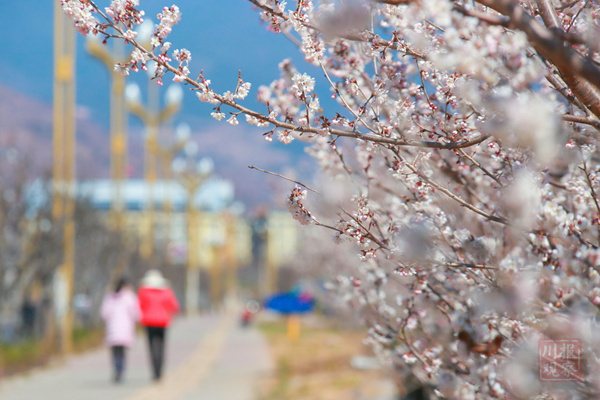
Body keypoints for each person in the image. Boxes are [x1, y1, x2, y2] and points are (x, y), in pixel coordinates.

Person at [137, 269, 180, 381]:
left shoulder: (144, 291)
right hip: (163, 322)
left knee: (151, 347)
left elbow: (139, 306)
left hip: (149, 322)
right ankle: (159, 371)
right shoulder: (166, 291)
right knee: (161, 347)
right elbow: (174, 306)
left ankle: (155, 371)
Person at [100, 277, 141, 383]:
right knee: (122, 352)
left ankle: (116, 369)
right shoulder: (129, 296)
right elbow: (135, 313)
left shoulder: (109, 297)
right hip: (125, 328)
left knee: (115, 352)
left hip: (112, 328)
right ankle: (120, 371)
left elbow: (104, 314)